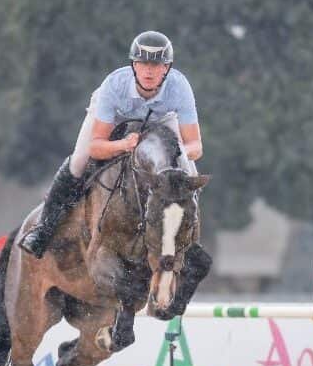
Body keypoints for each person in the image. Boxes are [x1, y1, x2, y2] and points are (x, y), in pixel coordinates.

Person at [19, 30, 204, 258]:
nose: (148, 70)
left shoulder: (180, 87)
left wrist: (179, 155)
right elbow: (96, 147)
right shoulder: (114, 86)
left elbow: (196, 145)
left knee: (188, 171)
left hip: (161, 117)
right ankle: (44, 229)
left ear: (167, 68)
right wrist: (123, 145)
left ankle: (188, 238)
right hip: (116, 113)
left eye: (156, 65)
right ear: (133, 65)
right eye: (142, 63)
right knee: (78, 161)